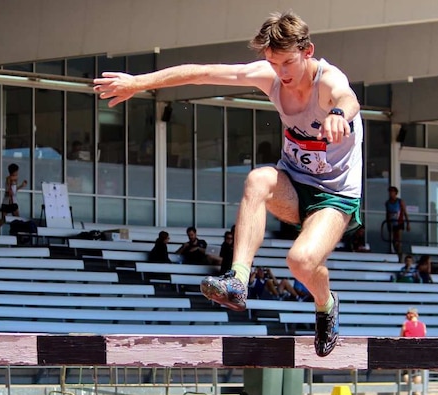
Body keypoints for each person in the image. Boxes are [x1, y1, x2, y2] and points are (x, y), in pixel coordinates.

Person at [96, 10, 362, 357]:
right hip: (293, 184)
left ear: (307, 51)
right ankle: (238, 279)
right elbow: (203, 73)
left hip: (333, 195)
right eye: (272, 63)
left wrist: (339, 115)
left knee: (300, 262)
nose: (281, 74)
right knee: (257, 179)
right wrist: (138, 83)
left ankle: (326, 304)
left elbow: (348, 98)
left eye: (287, 63)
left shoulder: (327, 82)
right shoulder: (270, 77)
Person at [0, 163, 28, 235]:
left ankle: (17, 233)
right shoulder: (9, 178)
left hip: (12, 201)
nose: (17, 173)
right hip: (8, 202)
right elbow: (8, 190)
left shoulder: (14, 179)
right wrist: (10, 191)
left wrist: (21, 186)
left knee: (16, 218)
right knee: (4, 219)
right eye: (16, 171)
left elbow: (14, 190)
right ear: (14, 171)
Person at [385, 186, 410, 256]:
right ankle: (396, 252)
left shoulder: (400, 201)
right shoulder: (387, 203)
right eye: (390, 192)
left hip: (399, 222)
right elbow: (387, 213)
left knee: (398, 239)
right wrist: (387, 223)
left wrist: (408, 223)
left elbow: (405, 212)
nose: (391, 193)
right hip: (392, 223)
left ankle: (399, 253)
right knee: (393, 240)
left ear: (395, 193)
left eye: (392, 192)